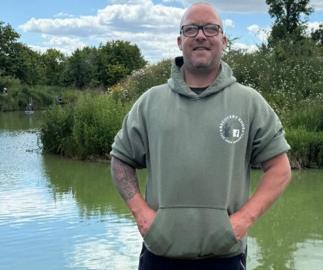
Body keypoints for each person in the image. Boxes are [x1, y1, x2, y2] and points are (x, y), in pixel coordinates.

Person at [110, 3, 291, 269]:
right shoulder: (150, 102)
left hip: (225, 256)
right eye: (191, 28)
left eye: (210, 28)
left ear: (223, 39)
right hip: (159, 254)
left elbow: (280, 169)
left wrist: (244, 220)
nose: (201, 35)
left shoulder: (249, 102)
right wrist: (142, 215)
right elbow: (120, 160)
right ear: (180, 40)